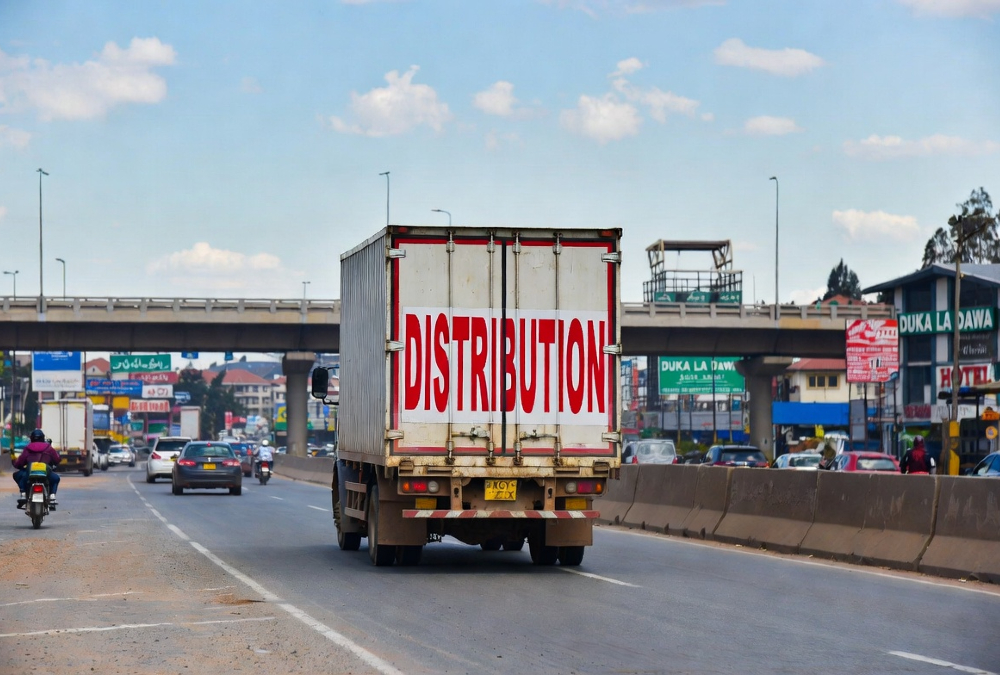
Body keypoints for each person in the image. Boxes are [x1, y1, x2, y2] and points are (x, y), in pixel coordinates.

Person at [12, 429, 61, 509]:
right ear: (42, 438)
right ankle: (52, 496)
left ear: (31, 438)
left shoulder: (28, 448)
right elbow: (57, 460)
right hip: (45, 472)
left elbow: (20, 462)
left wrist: (17, 464)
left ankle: (23, 494)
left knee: (18, 476)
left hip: (29, 473)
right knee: (56, 478)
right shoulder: (49, 448)